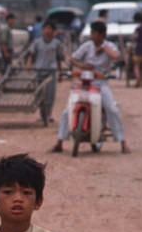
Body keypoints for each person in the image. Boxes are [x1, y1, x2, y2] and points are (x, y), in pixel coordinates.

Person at [50, 20, 129, 154]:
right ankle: (59, 142)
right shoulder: (87, 46)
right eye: (92, 33)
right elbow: (73, 58)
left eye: (95, 33)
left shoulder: (109, 46)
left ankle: (123, 143)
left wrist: (103, 49)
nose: (92, 35)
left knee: (112, 110)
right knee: (67, 111)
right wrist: (82, 66)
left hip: (101, 83)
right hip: (85, 83)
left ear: (102, 34)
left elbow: (116, 56)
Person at [22, 20, 65, 116]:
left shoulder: (56, 43)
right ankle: (43, 114)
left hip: (51, 71)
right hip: (39, 70)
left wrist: (60, 73)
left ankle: (48, 114)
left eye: (49, 29)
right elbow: (31, 55)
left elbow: (58, 59)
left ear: (53, 31)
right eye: (45, 28)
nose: (47, 31)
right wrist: (28, 64)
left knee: (50, 94)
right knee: (40, 93)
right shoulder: (37, 42)